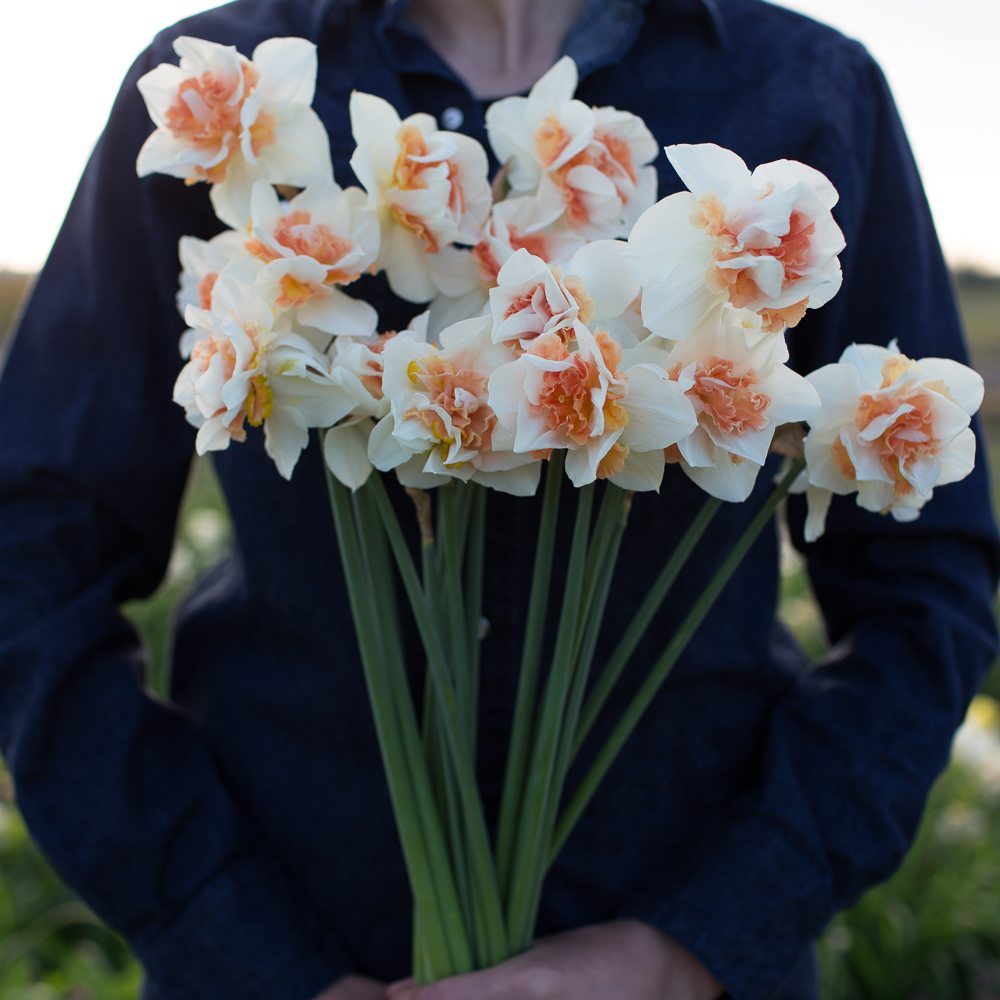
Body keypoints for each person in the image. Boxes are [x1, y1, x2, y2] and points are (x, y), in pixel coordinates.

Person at [0, 0, 996, 998]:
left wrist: (695, 941)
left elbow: (929, 593)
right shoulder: (211, 92)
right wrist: (234, 942)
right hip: (292, 937)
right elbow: (27, 563)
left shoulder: (812, 92)